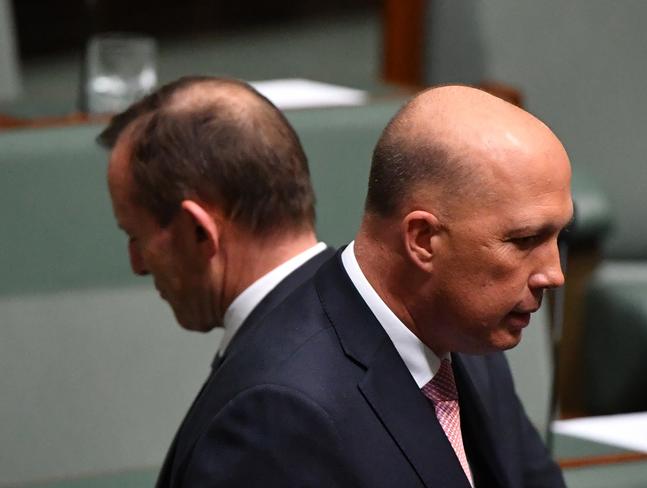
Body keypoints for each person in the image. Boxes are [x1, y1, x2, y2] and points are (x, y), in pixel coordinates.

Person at [159, 84, 572, 487]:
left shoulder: (468, 338)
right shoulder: (279, 416)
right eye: (523, 241)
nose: (553, 274)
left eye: (558, 237)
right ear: (423, 241)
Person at [99, 76, 335, 487]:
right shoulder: (372, 323)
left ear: (198, 231)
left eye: (135, 237)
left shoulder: (263, 412)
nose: (136, 264)